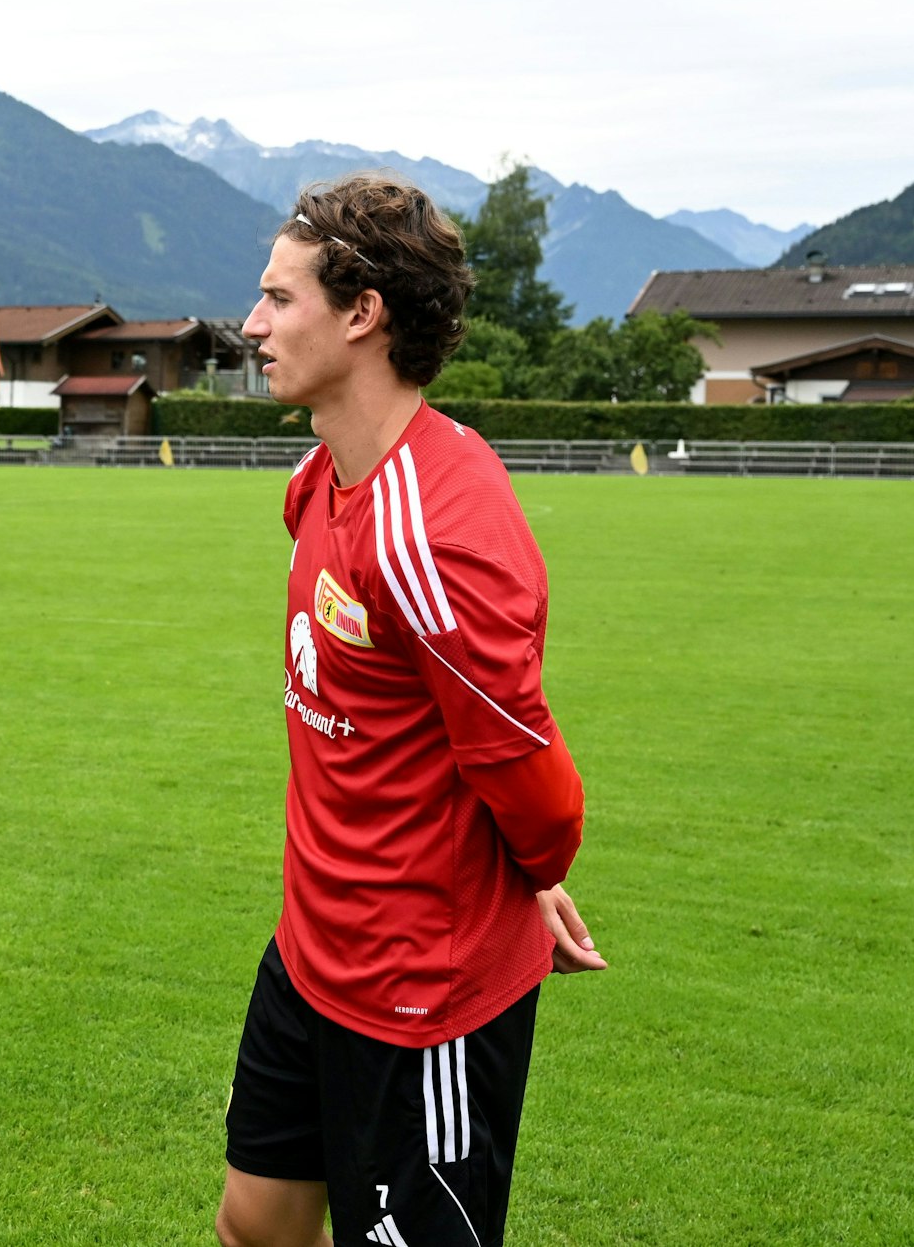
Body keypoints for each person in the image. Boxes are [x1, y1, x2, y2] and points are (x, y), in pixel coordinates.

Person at [216, 175, 606, 1247]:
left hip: (418, 990)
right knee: (256, 1222)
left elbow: (529, 774)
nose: (251, 324)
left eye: (276, 298)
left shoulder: (438, 531)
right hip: (309, 947)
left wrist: (531, 875)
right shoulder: (316, 480)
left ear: (360, 312)